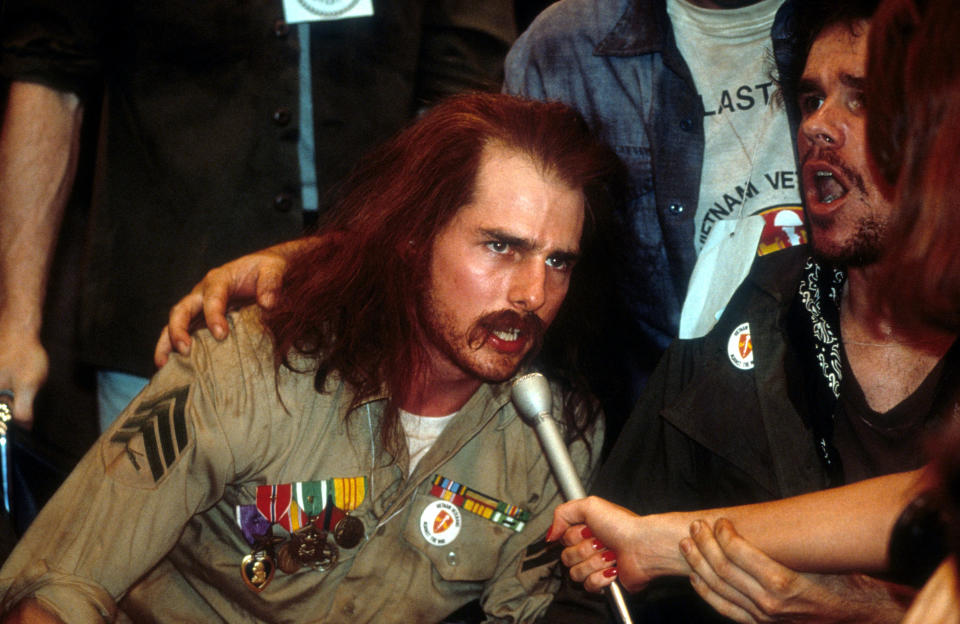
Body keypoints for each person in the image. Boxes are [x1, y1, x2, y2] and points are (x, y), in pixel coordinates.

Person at [0, 93, 619, 623]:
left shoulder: (553, 442)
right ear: (413, 235)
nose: (533, 294)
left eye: (558, 260)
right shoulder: (248, 369)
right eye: (500, 246)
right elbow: (56, 590)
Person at [549, 0, 960, 621]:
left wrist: (861, 609)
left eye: (865, 99)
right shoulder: (755, 310)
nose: (818, 125)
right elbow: (597, 592)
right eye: (810, 99)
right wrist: (654, 541)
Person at [0, 0, 518, 431]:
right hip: (165, 323)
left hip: (367, 318)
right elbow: (48, 73)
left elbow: (462, 97)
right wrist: (16, 322)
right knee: (153, 546)